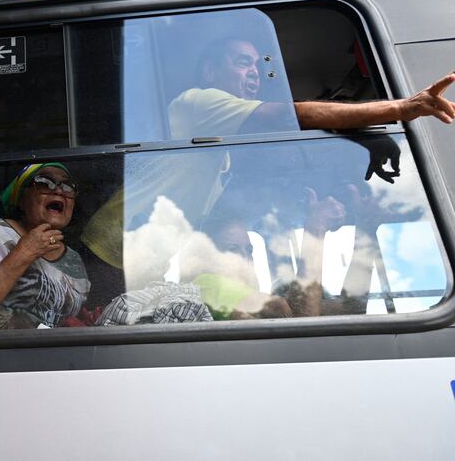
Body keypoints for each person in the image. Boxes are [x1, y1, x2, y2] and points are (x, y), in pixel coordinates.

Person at [80, 36, 455, 314]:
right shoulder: (197, 102)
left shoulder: (221, 154)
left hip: (139, 266)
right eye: (242, 63)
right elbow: (292, 116)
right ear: (211, 72)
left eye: (258, 67)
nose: (254, 74)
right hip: (107, 253)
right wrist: (398, 110)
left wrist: (364, 144)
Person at [0, 163, 90, 329]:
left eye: (68, 186)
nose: (59, 191)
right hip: (0, 352)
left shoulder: (74, 259)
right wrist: (25, 252)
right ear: (21, 200)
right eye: (44, 183)